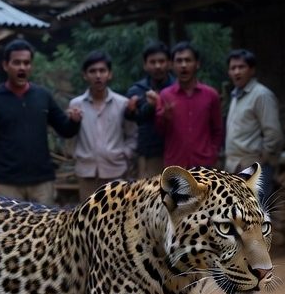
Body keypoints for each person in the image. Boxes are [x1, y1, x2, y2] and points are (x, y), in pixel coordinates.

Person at [0, 39, 82, 205]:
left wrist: (75, 121)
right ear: (6, 65)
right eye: (16, 63)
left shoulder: (42, 96)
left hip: (41, 182)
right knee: (12, 231)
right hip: (7, 183)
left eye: (26, 63)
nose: (22, 67)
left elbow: (65, 129)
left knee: (44, 229)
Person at [69, 51, 137, 200]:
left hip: (116, 171)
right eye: (92, 71)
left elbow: (132, 135)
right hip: (86, 172)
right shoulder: (76, 104)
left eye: (102, 70)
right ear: (85, 75)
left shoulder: (122, 103)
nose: (98, 75)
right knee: (88, 218)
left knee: (116, 218)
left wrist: (125, 153)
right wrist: (77, 155)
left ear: (109, 74)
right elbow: (71, 135)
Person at [224, 49, 284, 204]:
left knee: (255, 217)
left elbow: (274, 134)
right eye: (233, 68)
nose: (237, 71)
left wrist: (262, 160)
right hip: (235, 167)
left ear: (251, 70)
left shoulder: (261, 95)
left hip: (254, 167)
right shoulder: (236, 95)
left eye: (241, 67)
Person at [152, 41, 223, 169]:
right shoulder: (165, 95)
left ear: (197, 64)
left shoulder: (211, 94)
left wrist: (212, 153)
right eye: (179, 61)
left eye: (188, 60)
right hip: (175, 164)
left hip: (204, 165)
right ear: (172, 65)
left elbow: (217, 130)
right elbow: (159, 131)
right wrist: (164, 117)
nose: (183, 65)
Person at [124, 42, 175, 178]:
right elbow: (135, 118)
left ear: (169, 63)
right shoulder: (136, 90)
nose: (157, 66)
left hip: (177, 153)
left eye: (161, 61)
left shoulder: (178, 89)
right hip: (149, 154)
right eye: (152, 62)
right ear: (145, 65)